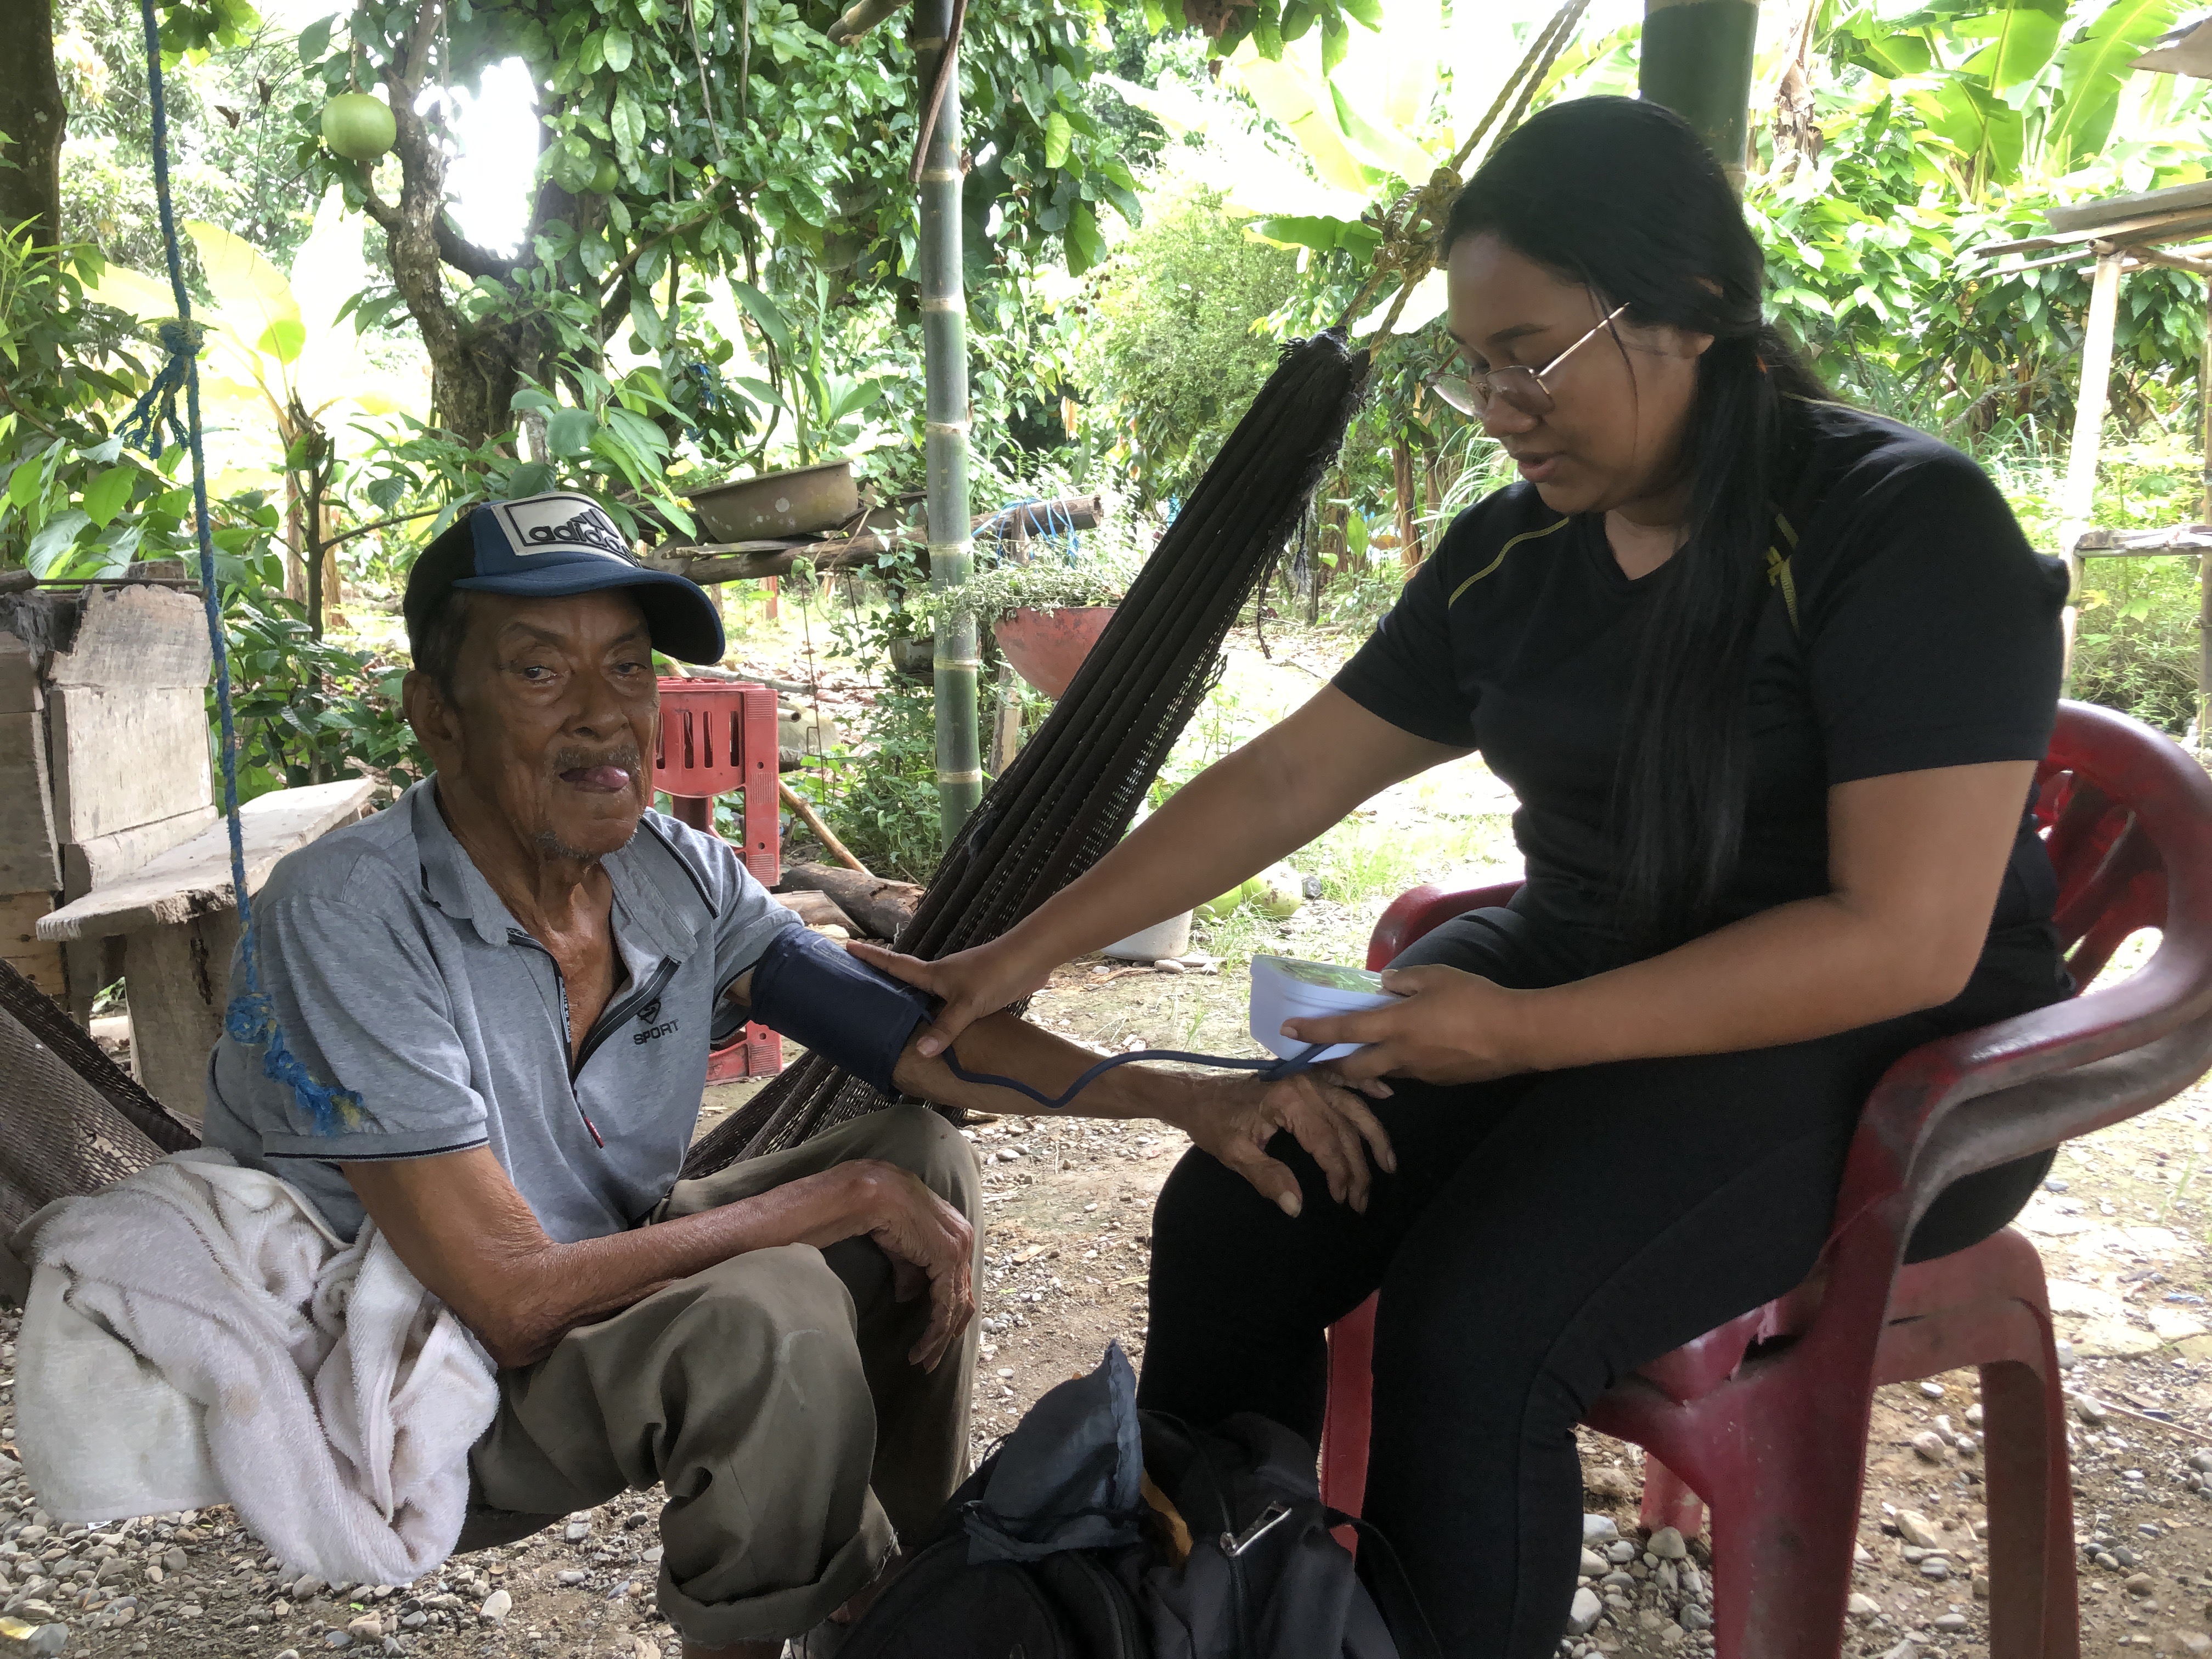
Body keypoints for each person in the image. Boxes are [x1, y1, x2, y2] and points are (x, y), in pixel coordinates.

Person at [852, 97, 2074, 1657]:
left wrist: (1515, 1033)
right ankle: (1217, 1611)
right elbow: (1293, 775)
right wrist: (1020, 952)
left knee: (1479, 1327)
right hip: (1581, 970)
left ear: (1696, 307)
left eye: (1533, 357)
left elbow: (1903, 939)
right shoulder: (1513, 555)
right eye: (1478, 366)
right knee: (1243, 1201)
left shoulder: (1898, 528)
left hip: (1877, 1046)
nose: (1500, 408)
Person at [199, 490, 1387, 1659]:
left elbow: (915, 1040)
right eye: (538, 671)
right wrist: (833, 1202)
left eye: (628, 667)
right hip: (423, 1369)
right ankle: (806, 1620)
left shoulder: (673, 875)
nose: (605, 716)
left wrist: (1179, 1093)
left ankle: (903, 1609)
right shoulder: (350, 912)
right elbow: (508, 1300)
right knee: (769, 1310)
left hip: (596, 1275)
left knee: (918, 1153)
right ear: (436, 715)